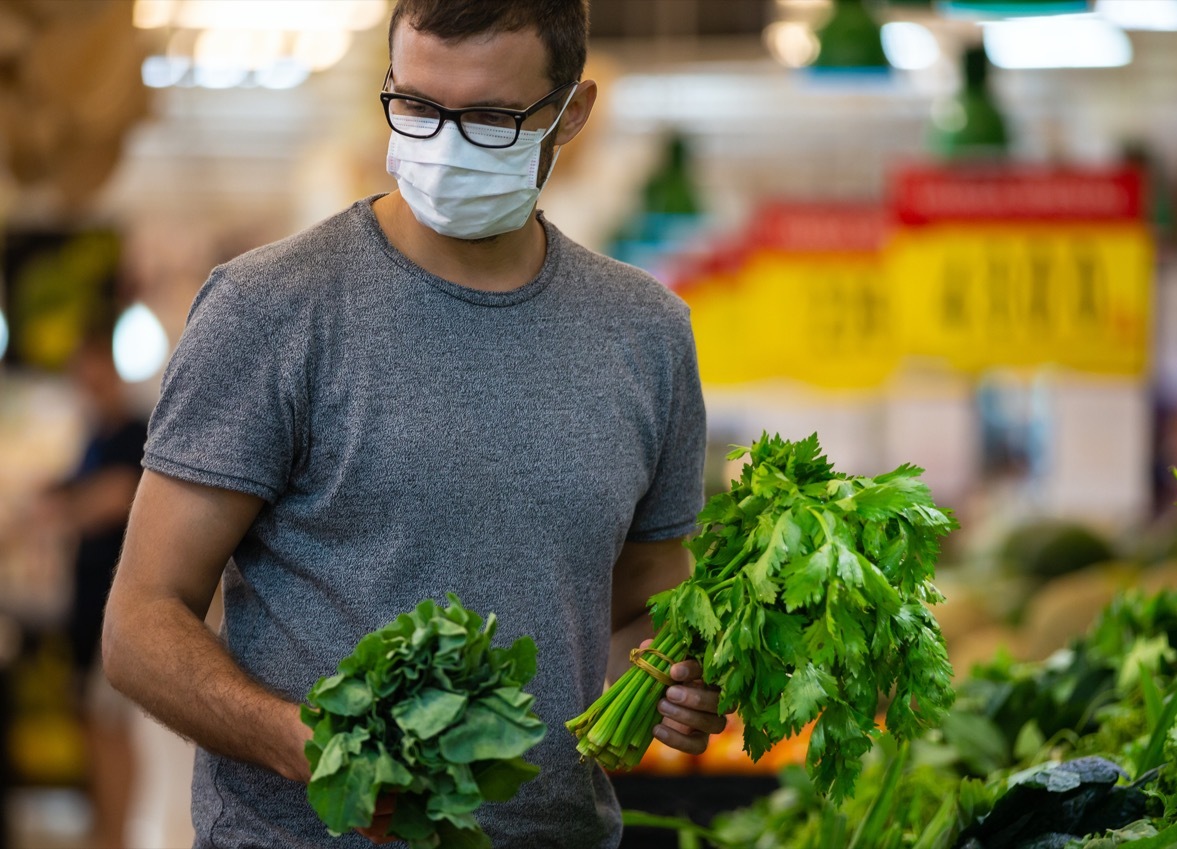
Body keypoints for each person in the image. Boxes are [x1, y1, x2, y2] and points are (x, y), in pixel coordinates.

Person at [101, 1, 726, 846]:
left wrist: (671, 686)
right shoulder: (273, 309)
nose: (445, 145)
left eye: (492, 119)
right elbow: (140, 623)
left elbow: (638, 604)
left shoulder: (646, 333)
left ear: (571, 113)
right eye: (420, 107)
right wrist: (304, 743)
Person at [37, 331, 146, 849]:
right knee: (92, 724)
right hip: (84, 604)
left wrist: (63, 515)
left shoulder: (132, 431)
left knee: (111, 729)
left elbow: (118, 496)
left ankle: (118, 832)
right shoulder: (94, 435)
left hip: (114, 600)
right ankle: (106, 825)